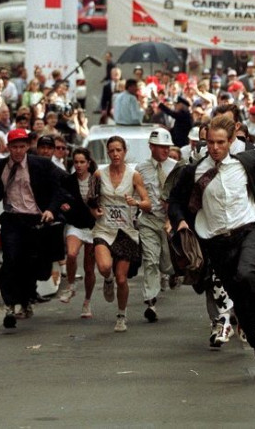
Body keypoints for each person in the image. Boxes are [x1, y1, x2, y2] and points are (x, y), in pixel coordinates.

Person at [167, 115, 255, 370]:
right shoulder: (194, 170)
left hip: (247, 230)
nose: (215, 148)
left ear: (231, 141)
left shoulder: (247, 163)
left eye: (221, 142)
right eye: (210, 142)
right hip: (215, 240)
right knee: (236, 294)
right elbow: (175, 201)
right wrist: (181, 222)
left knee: (247, 275)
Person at [0, 129, 67, 328]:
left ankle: (26, 300)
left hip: (36, 220)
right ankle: (10, 305)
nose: (18, 151)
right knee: (10, 260)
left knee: (33, 265)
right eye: (14, 147)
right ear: (8, 148)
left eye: (21, 147)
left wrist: (51, 210)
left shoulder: (41, 165)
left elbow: (58, 188)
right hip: (12, 220)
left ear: (27, 147)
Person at [91, 136, 151, 332]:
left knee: (122, 278)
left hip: (126, 231)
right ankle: (107, 280)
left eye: (119, 150)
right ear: (108, 153)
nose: (115, 154)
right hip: (104, 228)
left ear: (125, 152)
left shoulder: (134, 176)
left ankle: (121, 315)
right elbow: (90, 199)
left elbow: (147, 203)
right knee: (104, 266)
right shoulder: (99, 175)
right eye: (112, 151)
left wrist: (136, 203)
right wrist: (94, 211)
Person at [136, 128, 177, 323]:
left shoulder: (176, 167)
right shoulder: (141, 168)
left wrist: (173, 219)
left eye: (167, 147)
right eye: (161, 147)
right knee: (150, 259)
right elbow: (136, 193)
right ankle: (150, 301)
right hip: (148, 219)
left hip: (168, 221)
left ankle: (171, 274)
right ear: (151, 147)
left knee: (167, 262)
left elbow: (179, 197)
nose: (165, 150)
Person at [57, 148, 98, 318]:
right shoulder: (68, 180)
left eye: (82, 162)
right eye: (76, 162)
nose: (79, 165)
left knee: (89, 269)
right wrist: (63, 205)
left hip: (94, 226)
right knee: (72, 254)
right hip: (75, 224)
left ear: (88, 163)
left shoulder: (97, 179)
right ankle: (71, 286)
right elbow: (60, 196)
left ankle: (87, 302)